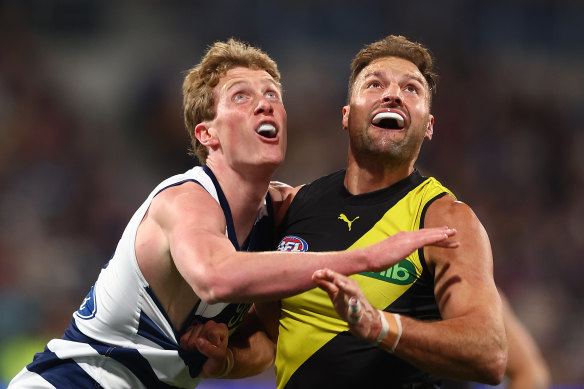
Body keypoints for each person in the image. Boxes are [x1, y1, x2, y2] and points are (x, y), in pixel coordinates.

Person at [8, 38, 457, 389]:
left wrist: (225, 358)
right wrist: (365, 258)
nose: (265, 104)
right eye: (241, 97)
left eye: (272, 95)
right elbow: (216, 278)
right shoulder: (185, 201)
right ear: (207, 133)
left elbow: (267, 340)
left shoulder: (278, 215)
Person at [215, 35, 508, 388]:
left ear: (429, 125)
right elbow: (269, 335)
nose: (393, 94)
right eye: (375, 84)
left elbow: (490, 354)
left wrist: (379, 326)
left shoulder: (444, 219)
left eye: (412, 89)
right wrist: (226, 358)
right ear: (346, 115)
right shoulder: (292, 207)